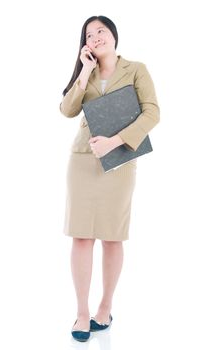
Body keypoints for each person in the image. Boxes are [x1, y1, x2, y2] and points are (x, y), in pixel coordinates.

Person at [59, 15, 160, 342]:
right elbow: (67, 110)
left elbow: (152, 112)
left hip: (119, 160)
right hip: (83, 161)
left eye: (101, 30)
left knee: (112, 236)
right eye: (89, 34)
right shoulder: (85, 73)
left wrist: (115, 142)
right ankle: (82, 312)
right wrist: (85, 70)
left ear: (114, 35)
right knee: (81, 236)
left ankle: (105, 306)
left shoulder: (136, 69)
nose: (96, 36)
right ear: (85, 43)